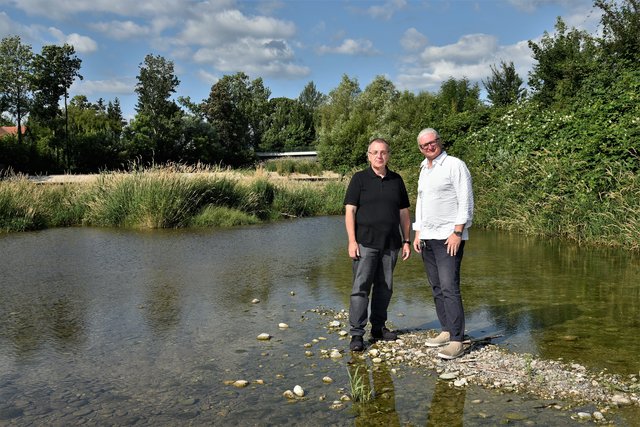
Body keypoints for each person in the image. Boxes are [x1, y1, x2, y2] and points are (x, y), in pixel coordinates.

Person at [344, 138, 412, 352]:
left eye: (383, 152)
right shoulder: (359, 179)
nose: (379, 156)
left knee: (385, 289)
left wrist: (407, 240)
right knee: (361, 289)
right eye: (375, 152)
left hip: (391, 244)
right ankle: (356, 334)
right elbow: (350, 211)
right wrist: (352, 241)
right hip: (364, 243)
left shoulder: (396, 180)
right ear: (368, 155)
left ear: (388, 155)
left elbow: (404, 213)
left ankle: (378, 328)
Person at [412, 128, 474, 360]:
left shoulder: (454, 165)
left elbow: (466, 199)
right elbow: (421, 202)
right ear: (420, 148)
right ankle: (447, 330)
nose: (429, 147)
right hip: (427, 237)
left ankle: (458, 340)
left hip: (449, 237)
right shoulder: (423, 169)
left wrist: (458, 232)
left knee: (450, 287)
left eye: (432, 142)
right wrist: (417, 233)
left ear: (439, 141)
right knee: (436, 287)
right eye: (424, 145)